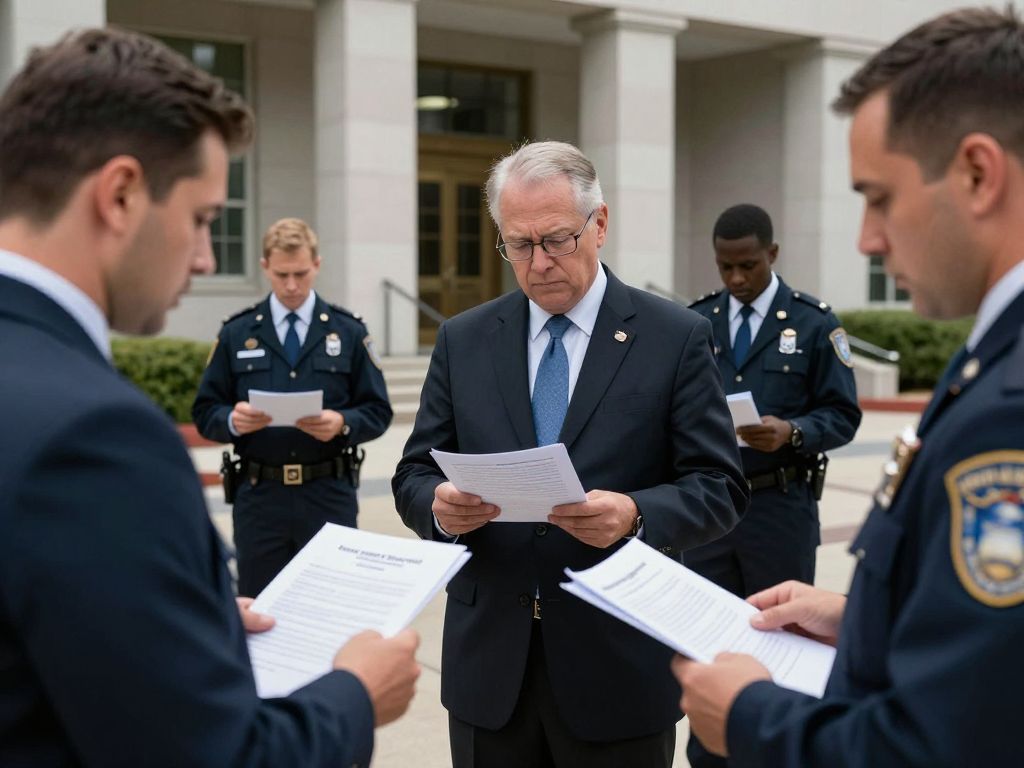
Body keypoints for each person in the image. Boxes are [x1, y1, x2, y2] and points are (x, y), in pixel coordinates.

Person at [0, 28, 418, 767]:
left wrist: (172, 620)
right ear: (121, 194)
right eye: (201, 219)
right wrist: (355, 690)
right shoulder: (94, 436)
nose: (201, 257)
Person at [673, 8, 1024, 767]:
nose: (866, 237)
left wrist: (748, 714)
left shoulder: (1006, 410)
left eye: (879, 196)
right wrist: (859, 616)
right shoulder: (994, 361)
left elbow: (941, 739)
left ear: (977, 173)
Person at [393, 140, 749, 767]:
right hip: (490, 668)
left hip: (617, 665)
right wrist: (442, 509)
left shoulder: (674, 338)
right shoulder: (465, 339)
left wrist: (634, 515)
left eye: (556, 239)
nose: (538, 263)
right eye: (519, 245)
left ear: (599, 224)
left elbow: (720, 486)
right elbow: (414, 472)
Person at [683, 204, 861, 767]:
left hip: (780, 505)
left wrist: (795, 432)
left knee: (780, 639)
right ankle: (709, 753)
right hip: (712, 512)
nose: (736, 279)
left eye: (748, 266)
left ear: (773, 255)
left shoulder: (813, 322)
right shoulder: (699, 320)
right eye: (725, 267)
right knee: (710, 639)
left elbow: (843, 413)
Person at [193, 217, 392, 597]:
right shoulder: (237, 332)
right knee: (260, 605)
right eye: (281, 274)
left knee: (330, 603)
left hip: (328, 493)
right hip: (259, 497)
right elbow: (206, 412)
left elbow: (377, 410)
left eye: (301, 273)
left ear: (316, 264)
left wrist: (342, 422)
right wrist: (232, 420)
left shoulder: (348, 331)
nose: (291, 285)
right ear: (265, 266)